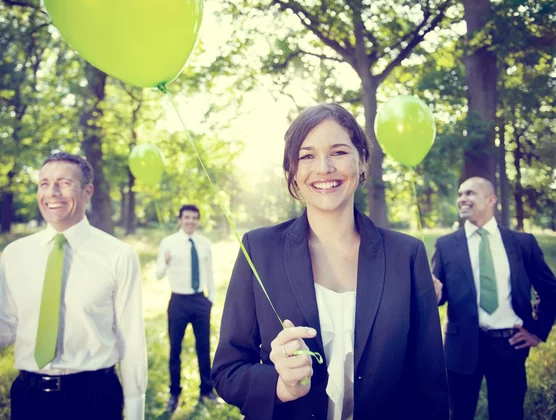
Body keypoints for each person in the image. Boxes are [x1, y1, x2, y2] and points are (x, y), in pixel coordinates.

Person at [212, 103, 448, 420]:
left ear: (362, 162)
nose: (324, 167)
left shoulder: (407, 254)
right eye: (307, 156)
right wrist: (280, 386)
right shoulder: (258, 248)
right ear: (292, 173)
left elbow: (429, 382)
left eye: (338, 152)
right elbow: (227, 371)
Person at [0, 152, 147, 420]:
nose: (52, 192)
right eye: (44, 183)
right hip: (29, 398)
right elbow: (6, 330)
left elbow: (132, 342)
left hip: (94, 399)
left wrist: (136, 411)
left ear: (87, 191)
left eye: (64, 183)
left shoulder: (118, 255)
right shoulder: (15, 254)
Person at [432, 177, 556, 420]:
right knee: (459, 414)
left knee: (508, 413)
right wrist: (432, 294)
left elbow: (550, 289)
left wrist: (537, 331)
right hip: (461, 346)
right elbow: (438, 295)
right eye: (460, 194)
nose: (463, 199)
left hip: (508, 345)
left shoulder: (522, 243)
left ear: (491, 200)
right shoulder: (446, 245)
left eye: (470, 193)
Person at [155, 204, 219, 412]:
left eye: (194, 218)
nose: (190, 221)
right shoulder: (168, 242)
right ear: (180, 219)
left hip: (200, 301)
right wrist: (165, 262)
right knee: (175, 349)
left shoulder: (204, 243)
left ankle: (207, 390)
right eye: (187, 217)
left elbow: (209, 272)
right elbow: (158, 274)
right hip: (178, 302)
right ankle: (175, 393)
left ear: (198, 221)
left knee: (203, 348)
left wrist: (211, 299)